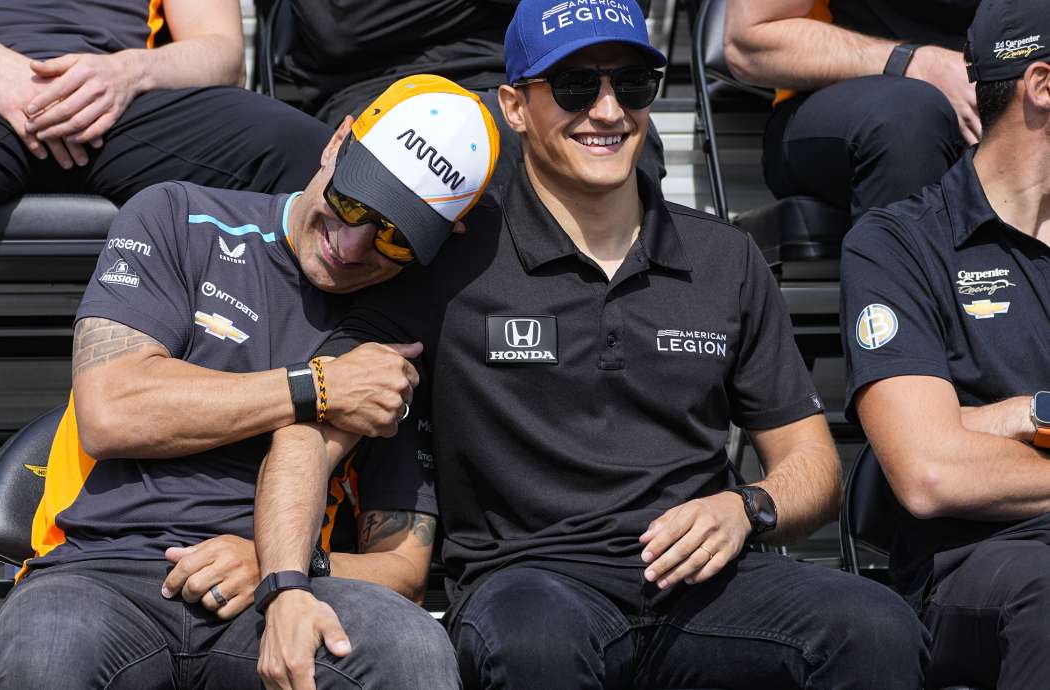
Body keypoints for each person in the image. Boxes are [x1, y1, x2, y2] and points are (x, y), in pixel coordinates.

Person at [252, 1, 929, 688]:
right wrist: (284, 583)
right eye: (575, 86)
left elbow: (812, 463)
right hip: (532, 586)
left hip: (708, 585)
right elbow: (311, 430)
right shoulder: (449, 263)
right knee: (534, 642)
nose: (608, 111)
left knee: (877, 627)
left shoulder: (726, 256)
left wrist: (746, 507)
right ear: (514, 107)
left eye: (632, 84)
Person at [0, 74, 500, 688]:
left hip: (284, 589)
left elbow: (405, 567)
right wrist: (319, 387)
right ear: (337, 143)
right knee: (44, 651)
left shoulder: (400, 328)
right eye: (354, 201)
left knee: (412, 650)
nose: (352, 244)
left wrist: (281, 566)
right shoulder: (178, 217)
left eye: (394, 235)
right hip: (102, 571)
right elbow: (110, 410)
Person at [0, 0, 335, 584]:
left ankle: (269, 480)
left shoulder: (128, 77)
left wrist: (126, 73)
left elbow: (221, 52)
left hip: (125, 98)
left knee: (308, 165)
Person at [842, 1, 1050, 686]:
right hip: (978, 561)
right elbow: (930, 471)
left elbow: (941, 444)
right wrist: (957, 435)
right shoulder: (897, 243)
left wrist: (1006, 420)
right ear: (1042, 85)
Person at [271, 0, 665, 190]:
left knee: (620, 143)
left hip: (553, 70)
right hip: (387, 86)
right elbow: (343, 23)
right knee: (452, 146)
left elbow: (621, 8)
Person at [724, 0, 977, 220]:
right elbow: (748, 40)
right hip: (844, 106)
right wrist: (915, 63)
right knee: (908, 119)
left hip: (989, 100)